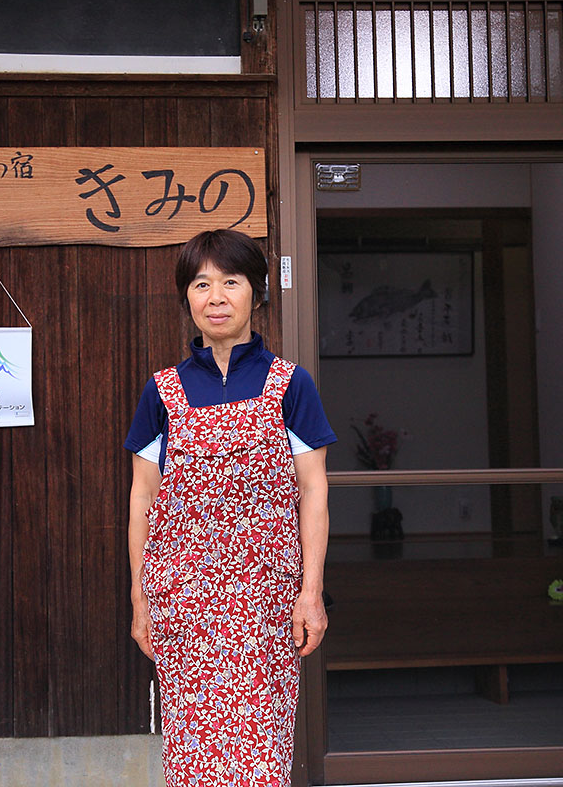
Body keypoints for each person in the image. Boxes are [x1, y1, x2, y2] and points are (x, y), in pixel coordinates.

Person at [124, 229, 335, 787]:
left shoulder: (290, 385)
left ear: (257, 294)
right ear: (186, 298)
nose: (215, 297)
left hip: (264, 604)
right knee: (192, 758)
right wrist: (140, 598)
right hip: (184, 606)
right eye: (201, 284)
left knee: (261, 755)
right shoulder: (161, 391)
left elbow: (313, 490)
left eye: (231, 282)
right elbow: (142, 498)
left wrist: (311, 592)